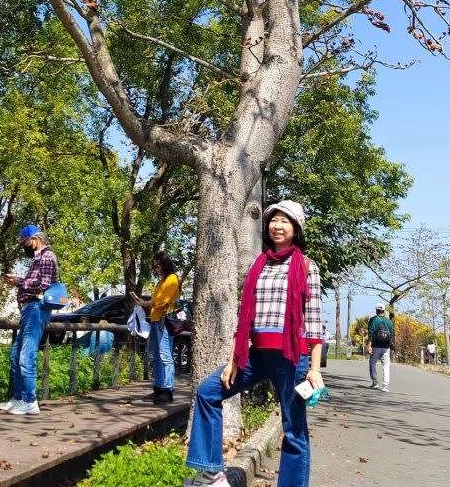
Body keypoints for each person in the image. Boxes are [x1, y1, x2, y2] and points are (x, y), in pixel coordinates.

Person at [183, 200, 324, 487]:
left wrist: (315, 367)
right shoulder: (258, 265)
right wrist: (235, 358)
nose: (277, 225)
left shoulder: (308, 266)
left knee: (294, 430)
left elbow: (314, 321)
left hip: (291, 358)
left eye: (285, 220)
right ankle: (211, 474)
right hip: (256, 355)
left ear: (296, 229)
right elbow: (244, 316)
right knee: (208, 392)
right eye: (274, 220)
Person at [0, 225, 59, 415]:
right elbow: (36, 282)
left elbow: (44, 284)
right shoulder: (38, 259)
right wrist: (20, 280)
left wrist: (19, 281)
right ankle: (18, 398)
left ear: (35, 239)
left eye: (25, 243)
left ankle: (29, 401)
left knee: (26, 356)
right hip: (28, 309)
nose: (24, 247)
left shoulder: (47, 257)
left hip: (36, 308)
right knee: (15, 355)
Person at [131, 250, 180, 404]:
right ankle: (158, 388)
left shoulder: (172, 279)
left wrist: (147, 303)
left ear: (164, 264)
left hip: (165, 321)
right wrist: (145, 303)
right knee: (156, 356)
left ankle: (167, 389)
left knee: (165, 355)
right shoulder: (161, 281)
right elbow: (155, 300)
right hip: (155, 319)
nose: (156, 269)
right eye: (155, 267)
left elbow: (161, 301)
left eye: (158, 266)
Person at [368, 302, 393, 392]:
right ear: (384, 311)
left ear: (376, 310)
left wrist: (369, 345)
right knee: (386, 365)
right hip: (386, 347)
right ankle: (385, 386)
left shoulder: (373, 320)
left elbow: (370, 333)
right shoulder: (389, 321)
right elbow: (391, 335)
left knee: (373, 362)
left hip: (376, 345)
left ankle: (375, 383)